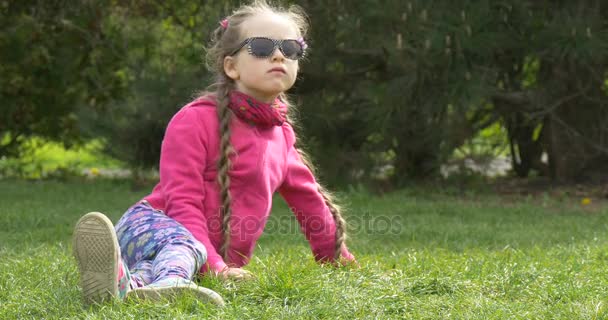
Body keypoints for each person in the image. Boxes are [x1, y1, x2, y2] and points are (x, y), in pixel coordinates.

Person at [72, 0, 356, 306]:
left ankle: (127, 286)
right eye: (261, 47)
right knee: (184, 247)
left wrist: (339, 263)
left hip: (191, 253)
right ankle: (172, 284)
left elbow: (310, 204)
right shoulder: (193, 121)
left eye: (291, 49)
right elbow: (183, 206)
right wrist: (217, 268)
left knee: (180, 256)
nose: (278, 55)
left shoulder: (282, 136)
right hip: (150, 225)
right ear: (231, 66)